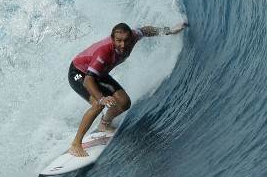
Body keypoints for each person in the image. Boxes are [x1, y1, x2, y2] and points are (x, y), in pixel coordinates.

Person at [67, 21, 187, 157]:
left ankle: (104, 124)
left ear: (131, 37)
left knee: (124, 102)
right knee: (97, 105)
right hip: (79, 73)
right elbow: (88, 81)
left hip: (99, 73)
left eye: (126, 40)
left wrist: (169, 30)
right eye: (118, 41)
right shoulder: (103, 53)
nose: (123, 45)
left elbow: (146, 30)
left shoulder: (134, 36)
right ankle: (75, 144)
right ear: (112, 39)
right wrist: (101, 98)